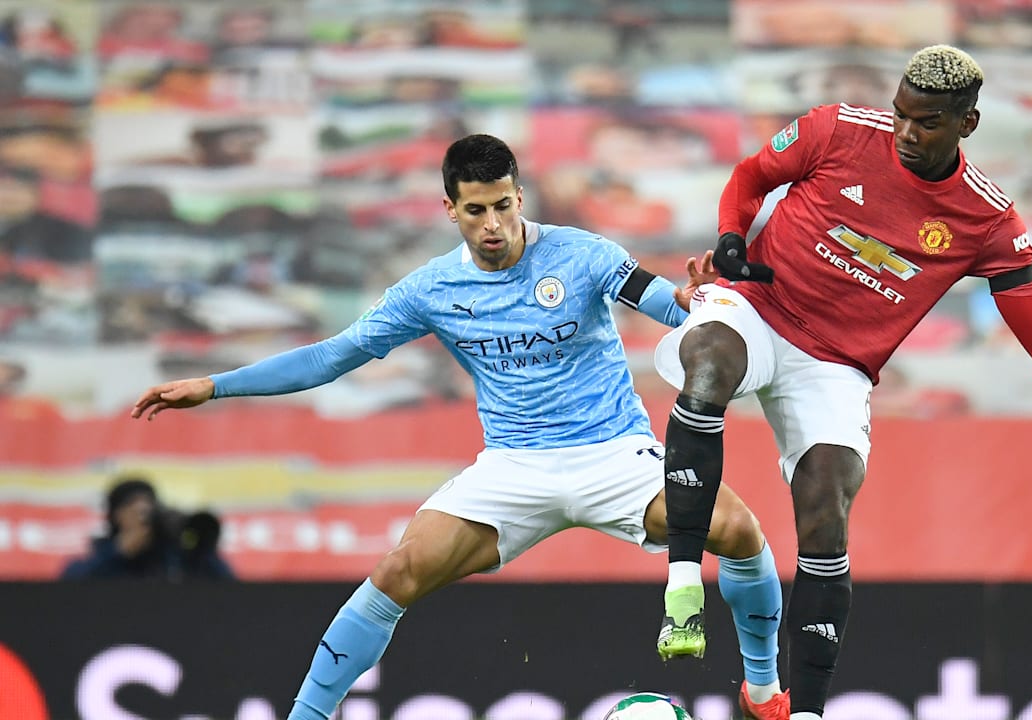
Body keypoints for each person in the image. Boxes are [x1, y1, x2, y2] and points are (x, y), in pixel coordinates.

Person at [131, 134, 790, 720]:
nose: (493, 224)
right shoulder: (431, 289)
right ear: (450, 209)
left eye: (503, 205)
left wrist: (697, 300)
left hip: (612, 453)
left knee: (738, 531)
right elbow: (331, 357)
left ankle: (763, 692)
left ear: (520, 197)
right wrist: (215, 385)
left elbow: (669, 307)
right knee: (398, 571)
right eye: (476, 210)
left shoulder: (583, 255)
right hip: (512, 468)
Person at [652, 45, 1032, 720]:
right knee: (710, 361)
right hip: (758, 305)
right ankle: (683, 588)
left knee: (828, 500)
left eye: (926, 122)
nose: (904, 131)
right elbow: (752, 174)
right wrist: (731, 234)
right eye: (900, 113)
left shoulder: (987, 221)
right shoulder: (838, 130)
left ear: (967, 124)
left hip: (836, 365)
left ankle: (804, 712)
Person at [61, 475, 183, 580]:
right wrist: (119, 552)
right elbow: (71, 580)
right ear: (116, 515)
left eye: (148, 508)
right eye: (134, 509)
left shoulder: (168, 552)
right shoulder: (101, 552)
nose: (142, 517)